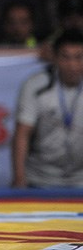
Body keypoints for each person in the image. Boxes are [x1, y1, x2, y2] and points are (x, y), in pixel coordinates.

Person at [13, 28, 83, 188]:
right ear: (55, 58)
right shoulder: (36, 86)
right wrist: (19, 178)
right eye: (66, 57)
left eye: (79, 57)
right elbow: (22, 134)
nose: (72, 65)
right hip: (41, 179)